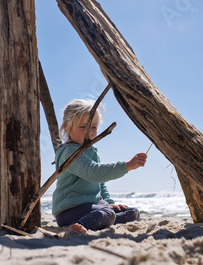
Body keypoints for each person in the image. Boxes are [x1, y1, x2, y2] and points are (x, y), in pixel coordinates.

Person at [52, 99, 148, 234]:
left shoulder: (91, 151)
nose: (90, 132)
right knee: (106, 214)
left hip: (91, 208)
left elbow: (100, 183)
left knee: (133, 212)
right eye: (83, 127)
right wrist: (127, 166)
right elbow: (93, 173)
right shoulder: (69, 151)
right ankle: (79, 226)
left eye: (94, 127)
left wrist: (108, 202)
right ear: (67, 128)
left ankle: (102, 218)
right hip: (69, 211)